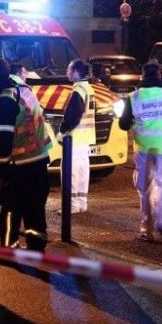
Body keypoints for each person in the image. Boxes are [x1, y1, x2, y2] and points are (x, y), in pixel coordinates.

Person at [0, 57, 52, 251]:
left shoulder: (5, 99)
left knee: (9, 206)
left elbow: (5, 141)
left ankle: (8, 248)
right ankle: (36, 246)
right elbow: (22, 114)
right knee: (35, 206)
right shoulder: (21, 86)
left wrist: (0, 172)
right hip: (39, 157)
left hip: (20, 162)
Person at [119, 61, 162, 242]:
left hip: (143, 149)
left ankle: (146, 230)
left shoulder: (134, 97)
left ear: (142, 76)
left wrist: (135, 120)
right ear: (159, 76)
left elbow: (123, 124)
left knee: (145, 190)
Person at [58, 58, 96, 214]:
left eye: (69, 69)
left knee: (69, 171)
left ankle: (72, 204)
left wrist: (63, 130)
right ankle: (81, 202)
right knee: (82, 170)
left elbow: (73, 115)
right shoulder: (90, 89)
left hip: (74, 138)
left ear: (76, 72)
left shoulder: (78, 90)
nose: (67, 72)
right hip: (85, 137)